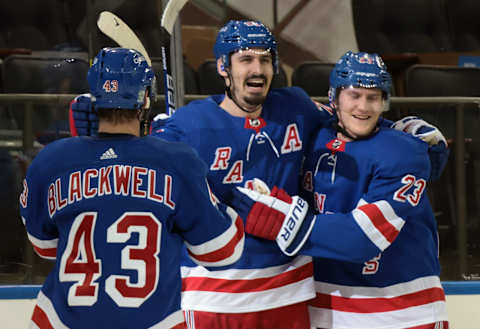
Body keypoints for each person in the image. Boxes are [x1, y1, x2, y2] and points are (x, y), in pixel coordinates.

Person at [69, 21, 448, 329]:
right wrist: (110, 127)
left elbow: (356, 122)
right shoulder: (185, 128)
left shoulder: (297, 108)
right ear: (223, 67)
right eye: (246, 59)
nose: (257, 69)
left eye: (265, 60)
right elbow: (128, 177)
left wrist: (408, 132)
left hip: (291, 295)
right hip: (210, 295)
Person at [19, 47, 245, 329]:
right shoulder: (177, 161)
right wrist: (209, 189)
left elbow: (45, 247)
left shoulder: (51, 160)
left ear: (93, 98)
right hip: (154, 321)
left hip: (59, 321)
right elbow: (221, 252)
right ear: (146, 99)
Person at [232, 51, 449, 329]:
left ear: (385, 102)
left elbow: (362, 238)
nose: (363, 106)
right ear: (334, 98)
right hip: (327, 310)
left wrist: (281, 220)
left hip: (404, 312)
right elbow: (260, 107)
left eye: (374, 97)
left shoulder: (404, 152)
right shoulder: (313, 131)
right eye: (354, 95)